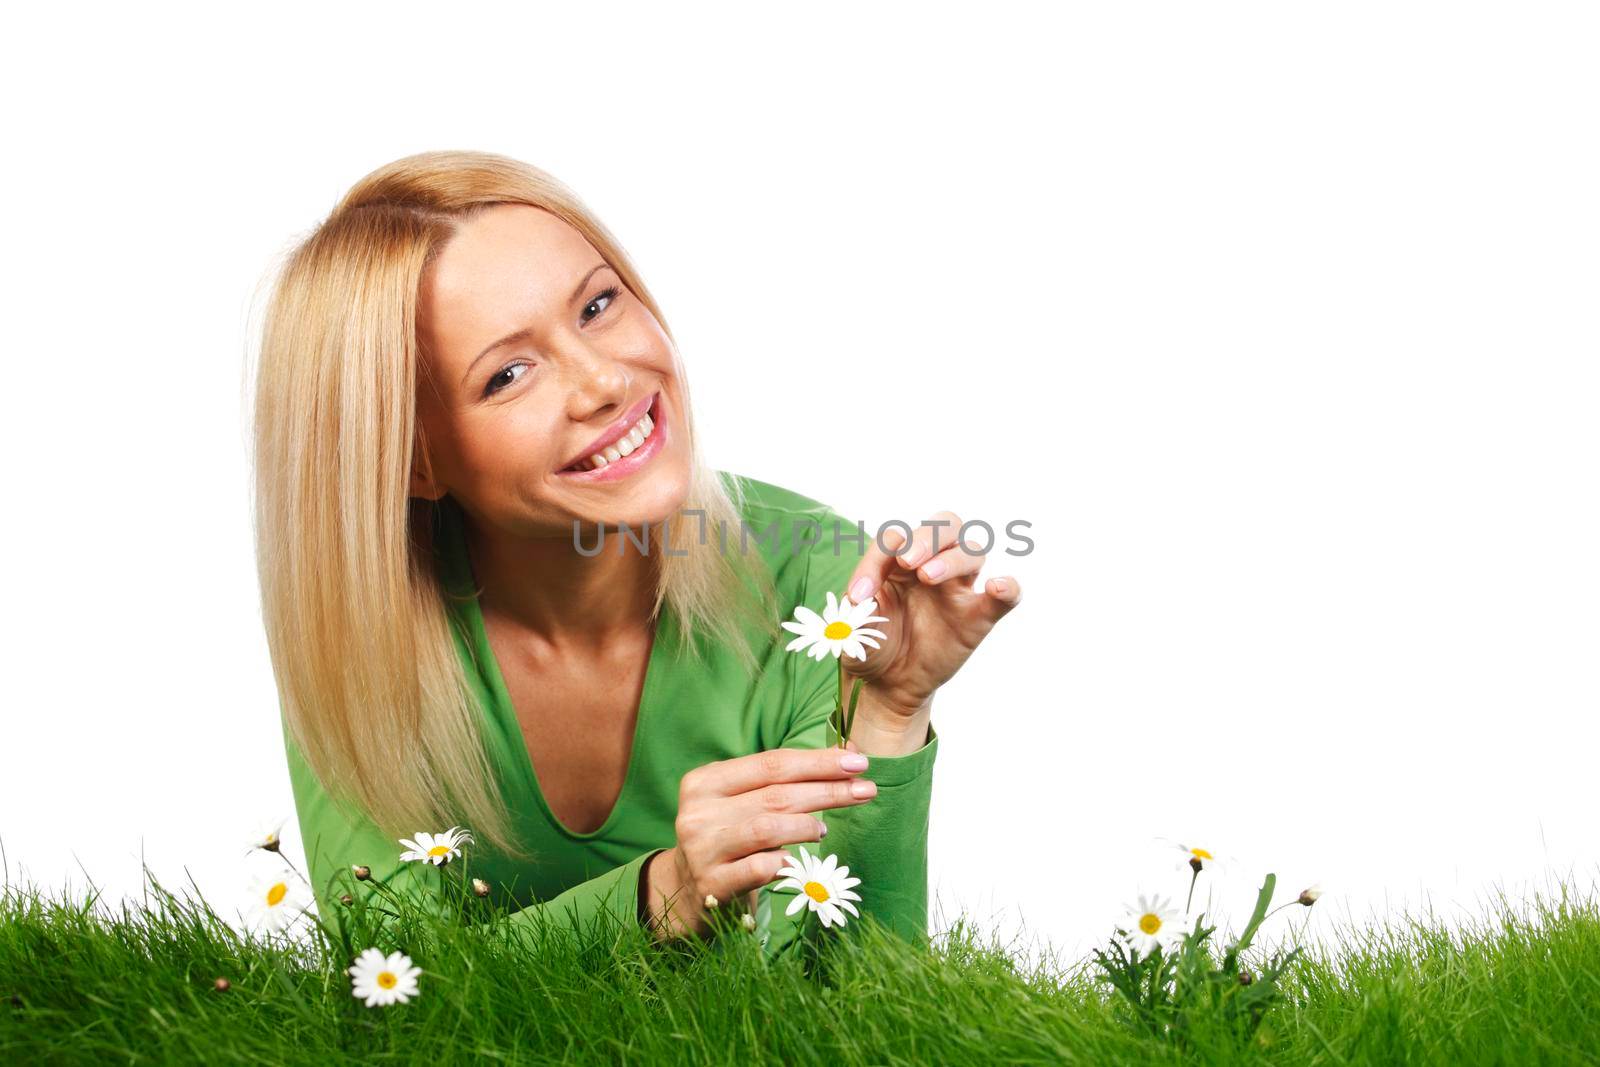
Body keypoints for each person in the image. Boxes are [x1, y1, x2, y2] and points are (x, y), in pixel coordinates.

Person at [251, 150, 1023, 958]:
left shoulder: (819, 583)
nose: (604, 381)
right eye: (509, 373)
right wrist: (661, 892)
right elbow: (395, 992)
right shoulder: (359, 631)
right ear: (415, 461)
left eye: (597, 305)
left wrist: (891, 714)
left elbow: (855, 1007)